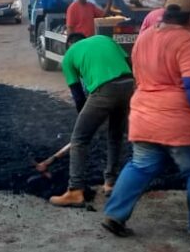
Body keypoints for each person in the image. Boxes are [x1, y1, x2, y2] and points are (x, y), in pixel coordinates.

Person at [103, 0, 190, 238]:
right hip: (177, 122)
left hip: (143, 117)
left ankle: (114, 215)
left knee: (140, 166)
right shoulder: (187, 41)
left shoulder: (144, 37)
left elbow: (139, 75)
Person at [49, 33, 136, 207]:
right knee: (115, 135)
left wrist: (90, 120)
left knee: (79, 139)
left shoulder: (69, 56)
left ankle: (75, 190)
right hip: (129, 85)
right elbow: (129, 63)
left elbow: (78, 97)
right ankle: (110, 183)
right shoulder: (104, 39)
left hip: (104, 90)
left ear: (69, 45)